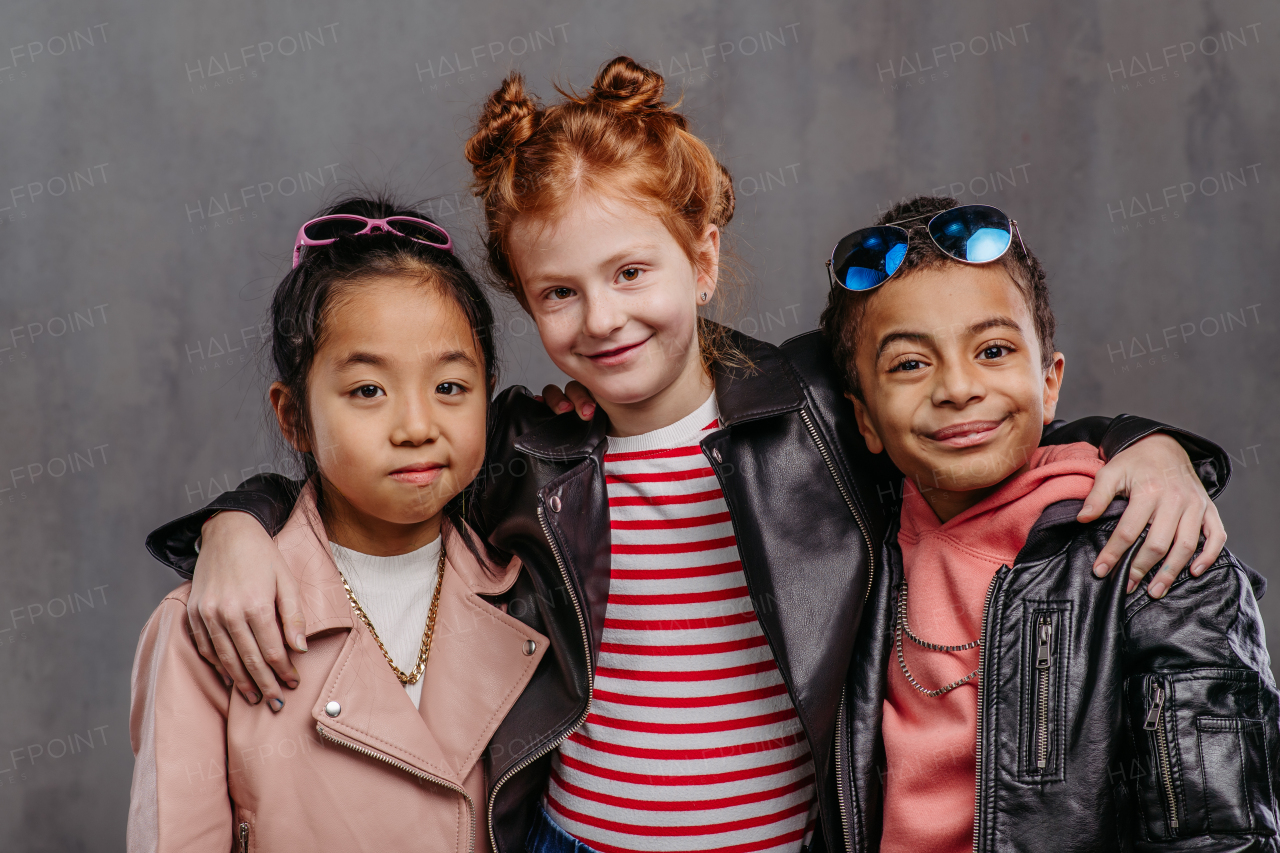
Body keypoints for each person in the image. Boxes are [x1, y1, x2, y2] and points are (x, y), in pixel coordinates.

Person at [143, 59, 1232, 853]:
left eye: (630, 274)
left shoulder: (813, 404)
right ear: (525, 305)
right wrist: (234, 524)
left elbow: (974, 433)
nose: (602, 319)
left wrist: (1152, 448)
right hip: (578, 838)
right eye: (558, 294)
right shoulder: (529, 442)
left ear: (700, 257)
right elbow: (371, 483)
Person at [821, 196, 1277, 852]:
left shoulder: (1153, 545)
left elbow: (1218, 830)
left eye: (994, 349)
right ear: (864, 418)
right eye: (909, 364)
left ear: (1050, 380)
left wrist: (1154, 448)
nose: (957, 386)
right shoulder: (852, 548)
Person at [127, 196, 548, 852]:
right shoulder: (208, 624)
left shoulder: (539, 593)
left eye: (450, 387)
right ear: (293, 415)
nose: (416, 427)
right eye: (367, 391)